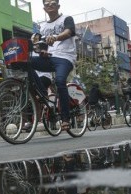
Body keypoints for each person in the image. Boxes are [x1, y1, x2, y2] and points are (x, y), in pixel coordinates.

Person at [31, 0, 77, 131]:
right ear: (44, 8)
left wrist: (56, 37)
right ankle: (42, 92)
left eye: (52, 3)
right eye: (47, 4)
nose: (49, 5)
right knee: (27, 62)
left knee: (60, 81)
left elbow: (68, 32)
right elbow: (44, 47)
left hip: (65, 58)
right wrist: (42, 52)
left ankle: (65, 118)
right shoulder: (43, 27)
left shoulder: (66, 19)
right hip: (51, 59)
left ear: (58, 6)